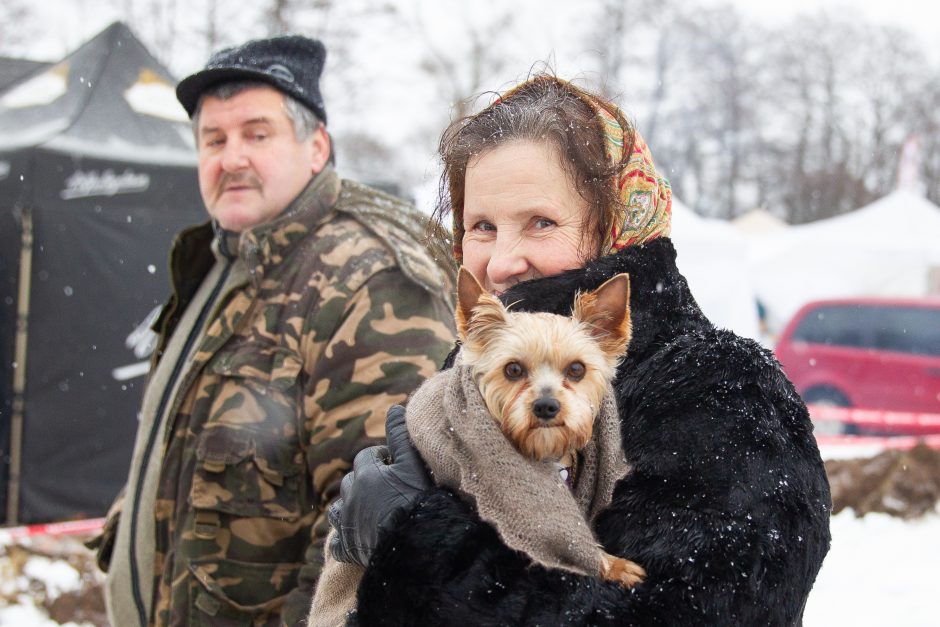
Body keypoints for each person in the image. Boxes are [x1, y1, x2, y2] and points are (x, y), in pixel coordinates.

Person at [327, 75, 832, 625]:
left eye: (541, 222)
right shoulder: (477, 368)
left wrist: (420, 538)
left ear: (620, 223)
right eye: (482, 226)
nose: (500, 262)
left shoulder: (721, 392)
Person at [90, 35, 456, 627]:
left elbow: (369, 530)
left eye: (257, 134)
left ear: (316, 149)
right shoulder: (216, 262)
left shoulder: (367, 280)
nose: (231, 158)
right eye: (214, 139)